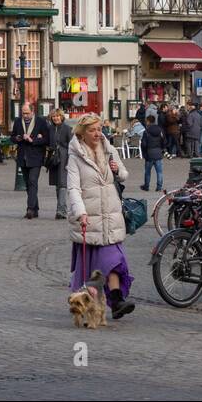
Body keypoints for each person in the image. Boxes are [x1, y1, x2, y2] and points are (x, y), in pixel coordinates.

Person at [67, 113, 135, 320]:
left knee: (113, 260)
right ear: (82, 133)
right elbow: (73, 188)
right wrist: (81, 212)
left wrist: (117, 170)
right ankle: (90, 305)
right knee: (93, 268)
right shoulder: (75, 157)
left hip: (110, 214)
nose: (98, 133)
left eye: (99, 129)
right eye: (92, 130)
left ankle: (116, 301)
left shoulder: (109, 149)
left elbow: (124, 174)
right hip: (90, 217)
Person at [11, 106, 51, 219]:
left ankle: (30, 208)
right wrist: (18, 138)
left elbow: (46, 139)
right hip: (23, 157)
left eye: (27, 113)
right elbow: (12, 137)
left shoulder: (41, 122)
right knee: (28, 184)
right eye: (23, 113)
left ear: (32, 112)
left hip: (36, 157)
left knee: (33, 181)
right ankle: (35, 208)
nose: (25, 116)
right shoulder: (18, 122)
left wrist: (33, 140)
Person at [46, 109, 73, 219]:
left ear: (61, 117)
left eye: (57, 116)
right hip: (53, 158)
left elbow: (72, 146)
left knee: (62, 184)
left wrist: (69, 161)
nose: (56, 118)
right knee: (57, 185)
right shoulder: (50, 129)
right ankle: (61, 208)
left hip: (64, 158)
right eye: (54, 116)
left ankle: (61, 210)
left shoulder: (67, 129)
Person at [139, 115, 166, 192]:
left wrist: (144, 153)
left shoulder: (146, 131)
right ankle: (159, 187)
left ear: (148, 121)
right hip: (158, 152)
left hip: (149, 153)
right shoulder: (160, 130)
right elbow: (164, 141)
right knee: (159, 172)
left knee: (147, 172)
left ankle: (146, 186)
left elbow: (143, 144)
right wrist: (161, 149)